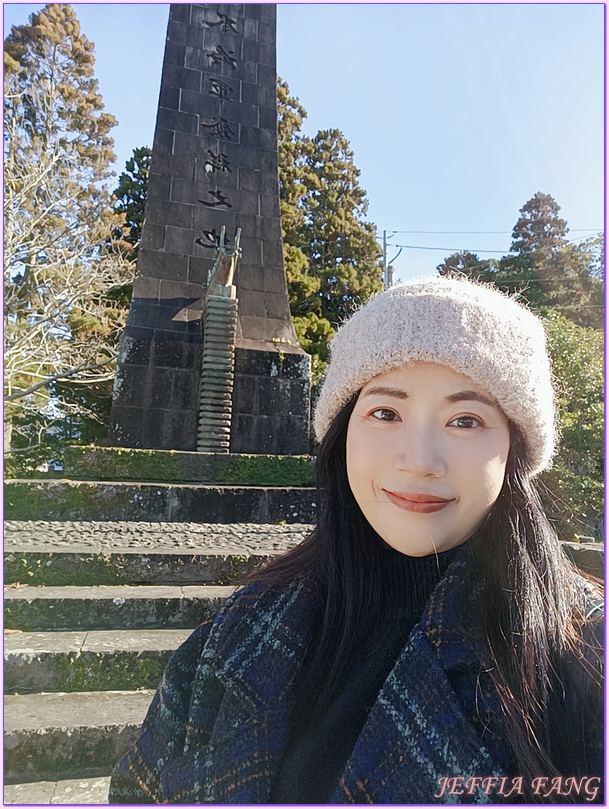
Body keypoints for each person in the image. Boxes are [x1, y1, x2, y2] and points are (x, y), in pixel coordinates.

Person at [109, 276, 603, 805]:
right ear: (343, 432)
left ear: (515, 452)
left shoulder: (583, 651)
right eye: (385, 412)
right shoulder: (240, 630)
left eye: (466, 420)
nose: (418, 460)